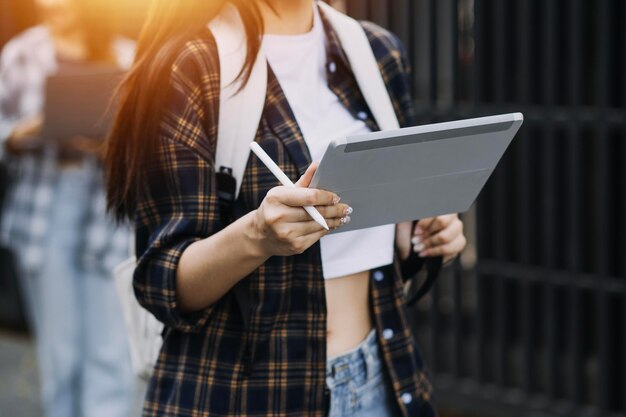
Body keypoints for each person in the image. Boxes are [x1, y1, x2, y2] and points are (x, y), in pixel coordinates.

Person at [104, 1, 467, 416]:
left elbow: (379, 246)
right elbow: (161, 281)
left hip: (382, 380)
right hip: (246, 394)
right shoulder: (193, 64)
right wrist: (255, 236)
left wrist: (417, 236)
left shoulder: (376, 51)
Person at [0, 0, 135, 416]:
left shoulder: (127, 56)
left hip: (107, 214)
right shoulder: (22, 53)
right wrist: (32, 128)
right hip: (46, 209)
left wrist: (111, 140)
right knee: (60, 355)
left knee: (111, 353)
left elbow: (146, 143)